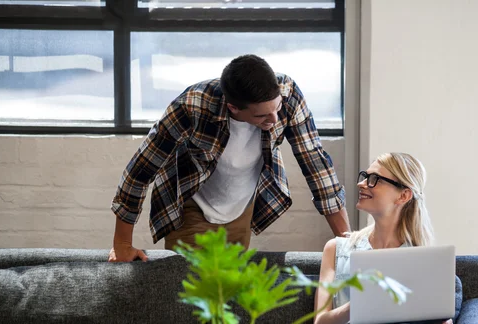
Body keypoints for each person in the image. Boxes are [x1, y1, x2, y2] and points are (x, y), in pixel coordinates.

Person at [108, 54, 350, 262]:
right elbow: (139, 171)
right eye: (262, 116)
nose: (275, 120)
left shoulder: (288, 94)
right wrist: (122, 245)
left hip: (242, 209)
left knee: (231, 298)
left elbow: (316, 166)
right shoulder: (192, 106)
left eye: (276, 109)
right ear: (234, 108)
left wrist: (349, 246)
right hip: (192, 209)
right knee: (194, 301)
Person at [307, 152, 454, 324]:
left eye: (375, 179)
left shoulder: (420, 260)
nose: (362, 183)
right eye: (365, 176)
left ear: (403, 195)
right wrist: (360, 306)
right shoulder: (337, 248)